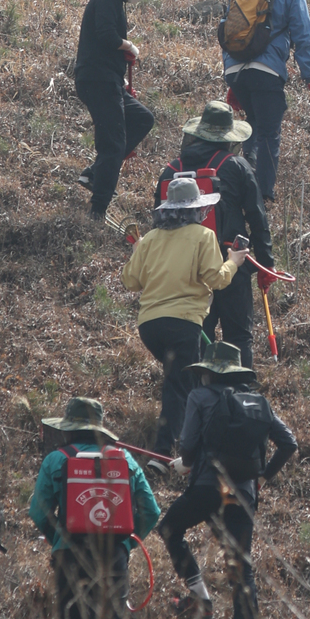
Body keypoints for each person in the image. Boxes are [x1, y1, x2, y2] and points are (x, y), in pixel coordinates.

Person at [158, 341, 298, 619]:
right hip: (243, 492)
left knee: (169, 528)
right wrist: (262, 477)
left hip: (208, 486)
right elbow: (289, 443)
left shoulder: (200, 396)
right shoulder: (258, 402)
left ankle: (202, 598)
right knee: (240, 561)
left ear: (209, 372)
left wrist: (185, 463)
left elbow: (189, 447)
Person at [121, 174, 249, 456]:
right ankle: (165, 452)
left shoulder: (150, 239)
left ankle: (194, 437)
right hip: (183, 323)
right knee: (178, 385)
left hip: (150, 326)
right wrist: (233, 262)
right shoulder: (203, 235)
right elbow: (216, 278)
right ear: (197, 209)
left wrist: (137, 251)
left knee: (188, 376)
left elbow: (130, 281)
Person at [28, 395, 161, 619]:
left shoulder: (56, 459)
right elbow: (151, 511)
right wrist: (127, 542)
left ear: (68, 429)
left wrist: (59, 540)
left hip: (70, 557)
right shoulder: (125, 460)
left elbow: (38, 512)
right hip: (114, 557)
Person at [155, 101, 274, 370]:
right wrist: (267, 264)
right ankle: (240, 394)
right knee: (239, 336)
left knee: (196, 336)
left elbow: (158, 225)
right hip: (231, 260)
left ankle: (196, 397)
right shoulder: (238, 166)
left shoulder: (171, 172)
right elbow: (257, 216)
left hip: (187, 271)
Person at [219, 0, 310, 201]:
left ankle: (245, 177)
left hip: (236, 72)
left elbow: (226, 35)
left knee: (253, 125)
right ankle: (261, 195)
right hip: (267, 73)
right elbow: (303, 38)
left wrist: (232, 74)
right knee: (268, 133)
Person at [73, 0, 165, 225]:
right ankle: (98, 209)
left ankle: (95, 172)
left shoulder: (115, 0)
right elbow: (105, 36)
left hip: (109, 79)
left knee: (142, 118)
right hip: (98, 81)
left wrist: (121, 75)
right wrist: (127, 46)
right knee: (113, 144)